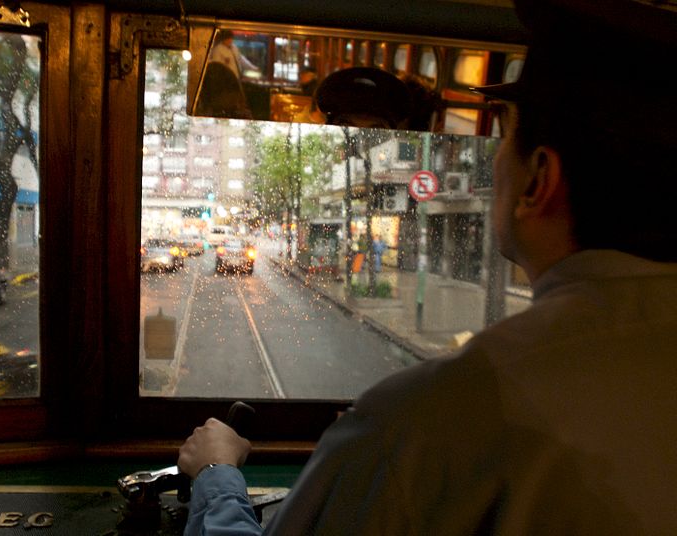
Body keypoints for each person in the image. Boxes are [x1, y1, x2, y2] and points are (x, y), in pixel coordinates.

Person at [179, 0, 677, 533]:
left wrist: (216, 473)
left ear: (537, 181)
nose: (495, 157)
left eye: (505, 136)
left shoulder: (426, 420)